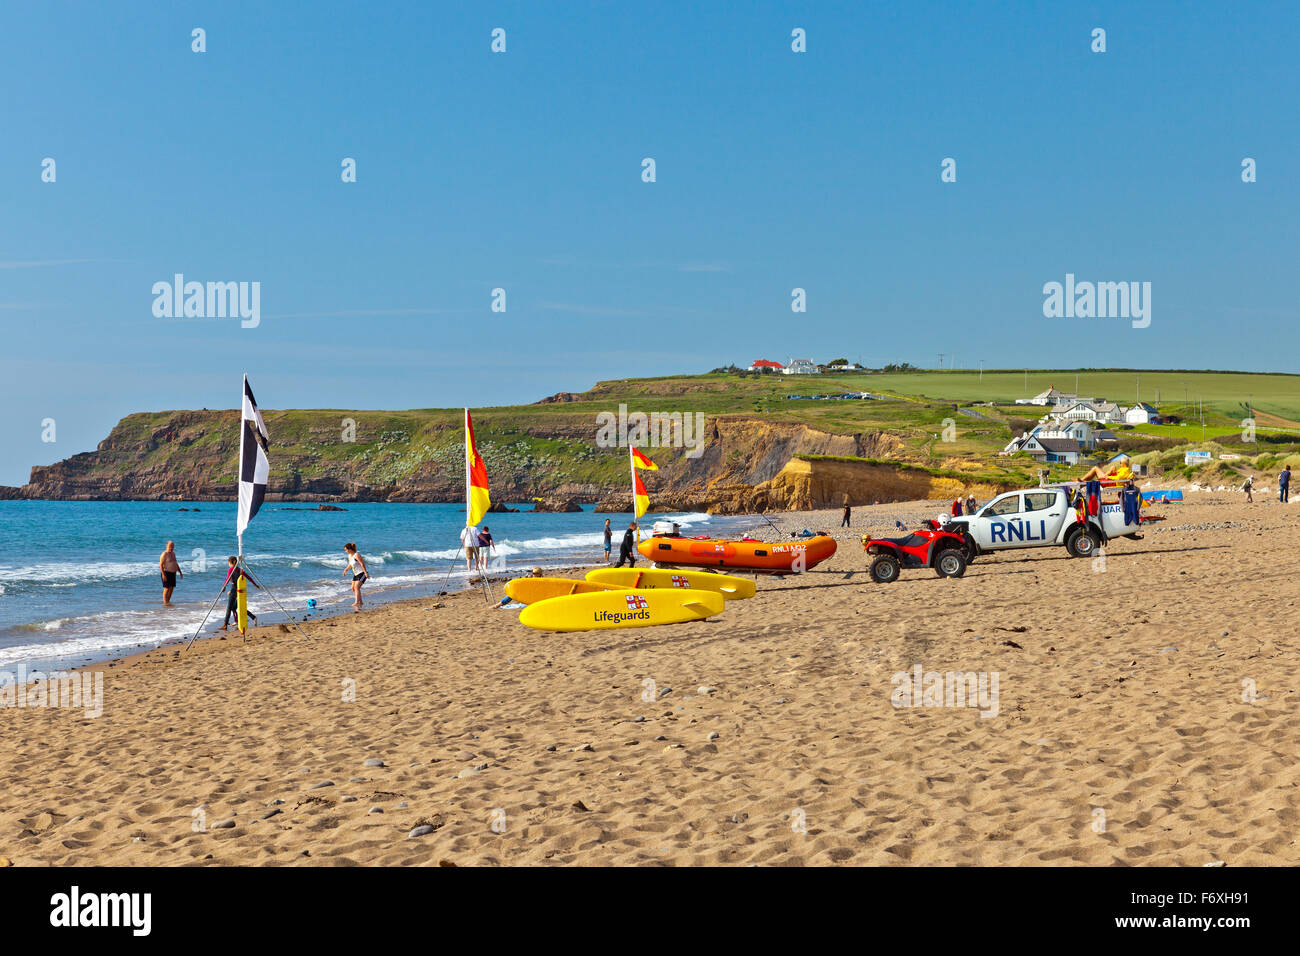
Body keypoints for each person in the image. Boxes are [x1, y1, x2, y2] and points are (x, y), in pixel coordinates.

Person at [219, 557, 260, 631]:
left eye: (228, 563)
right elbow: (249, 577)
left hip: (234, 589)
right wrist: (255, 585)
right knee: (237, 607)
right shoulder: (240, 570)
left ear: (230, 563)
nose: (228, 565)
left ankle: (225, 625)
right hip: (240, 589)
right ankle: (251, 618)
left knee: (229, 608)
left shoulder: (231, 569)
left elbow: (227, 579)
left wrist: (223, 586)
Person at [342, 542, 368, 609]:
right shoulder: (350, 556)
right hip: (356, 574)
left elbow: (362, 564)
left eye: (346, 550)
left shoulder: (357, 555)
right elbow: (350, 564)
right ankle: (361, 602)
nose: (345, 551)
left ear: (350, 549)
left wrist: (366, 573)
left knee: (356, 588)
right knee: (353, 588)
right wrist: (345, 570)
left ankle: (356, 602)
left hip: (362, 573)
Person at [159, 541, 183, 606]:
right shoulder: (164, 554)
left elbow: (176, 563)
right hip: (166, 572)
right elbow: (161, 565)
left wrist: (180, 572)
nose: (171, 548)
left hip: (173, 573)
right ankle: (165, 603)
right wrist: (163, 574)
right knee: (166, 589)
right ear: (167, 546)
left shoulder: (173, 554)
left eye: (172, 546)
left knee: (171, 588)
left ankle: (168, 601)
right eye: (170, 546)